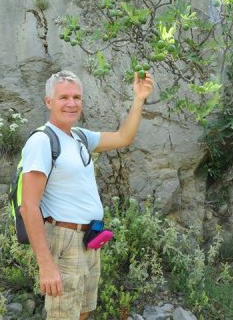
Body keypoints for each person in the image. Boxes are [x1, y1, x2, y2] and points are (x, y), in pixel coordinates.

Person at [20, 69, 154, 320]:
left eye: (77, 97)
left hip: (89, 240)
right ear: (49, 102)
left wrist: (139, 98)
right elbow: (28, 206)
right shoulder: (42, 141)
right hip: (64, 240)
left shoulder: (79, 137)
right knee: (63, 316)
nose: (71, 103)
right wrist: (46, 264)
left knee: (82, 312)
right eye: (63, 97)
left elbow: (124, 137)